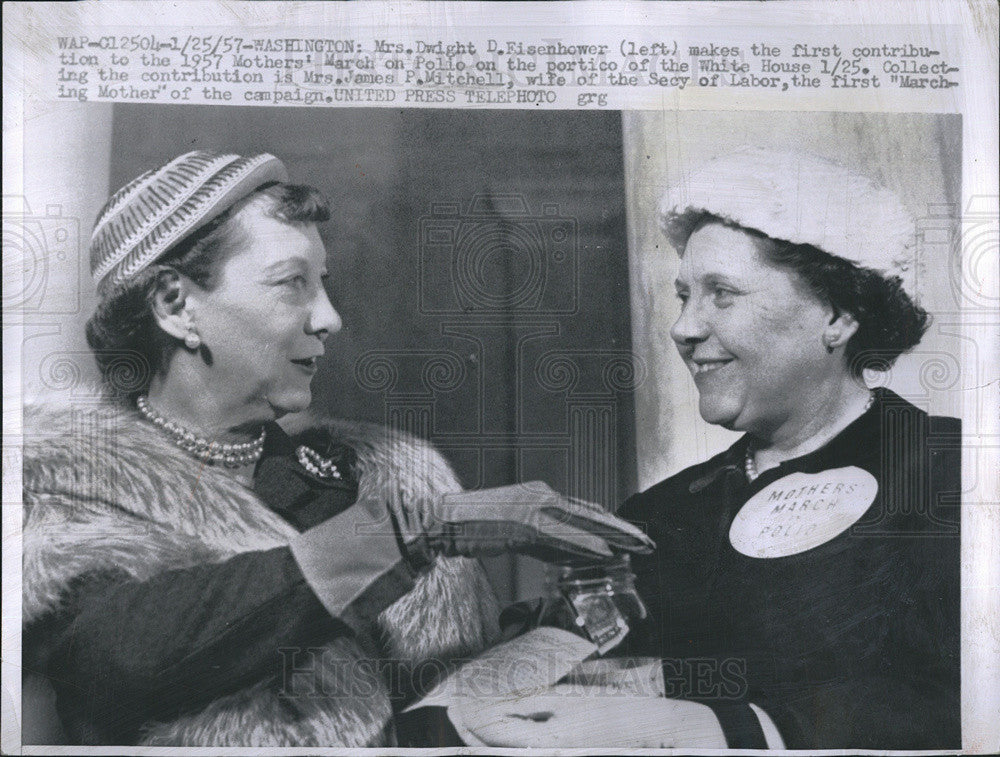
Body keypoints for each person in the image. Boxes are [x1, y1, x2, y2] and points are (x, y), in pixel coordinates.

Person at [21, 150, 653, 747]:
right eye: (291, 284)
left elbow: (425, 699)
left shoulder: (375, 471)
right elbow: (118, 656)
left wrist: (561, 629)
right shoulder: (66, 484)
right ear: (175, 305)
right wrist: (423, 528)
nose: (328, 317)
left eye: (321, 283)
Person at [617, 147, 961, 749]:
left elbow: (965, 697)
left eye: (722, 293)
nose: (684, 328)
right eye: (683, 296)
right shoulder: (659, 516)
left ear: (837, 315)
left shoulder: (955, 478)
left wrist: (728, 730)